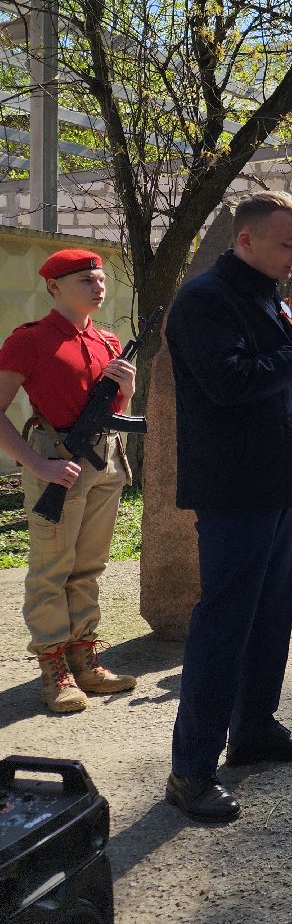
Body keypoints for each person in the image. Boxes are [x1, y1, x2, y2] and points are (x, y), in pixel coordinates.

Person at [166, 191, 292, 822]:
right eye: (287, 244)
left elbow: (278, 387)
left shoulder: (266, 298)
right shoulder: (205, 300)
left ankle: (254, 730)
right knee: (223, 626)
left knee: (271, 616)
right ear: (244, 240)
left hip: (277, 487)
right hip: (233, 493)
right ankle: (190, 770)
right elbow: (233, 382)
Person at [0, 249, 138, 713]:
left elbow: (114, 413)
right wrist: (36, 467)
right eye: (85, 280)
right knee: (51, 569)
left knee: (90, 565)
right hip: (55, 461)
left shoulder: (108, 341)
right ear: (54, 287)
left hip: (104, 463)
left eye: (100, 279)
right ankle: (53, 668)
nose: (98, 287)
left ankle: (85, 659)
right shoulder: (30, 340)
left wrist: (128, 391)